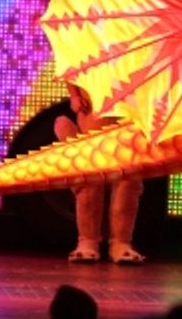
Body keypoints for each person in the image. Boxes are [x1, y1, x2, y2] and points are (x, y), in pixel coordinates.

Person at [54, 84, 145, 264]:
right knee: (88, 179)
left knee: (128, 180)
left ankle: (121, 243)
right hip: (92, 127)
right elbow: (72, 65)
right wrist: (74, 95)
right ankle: (87, 240)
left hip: (128, 124)